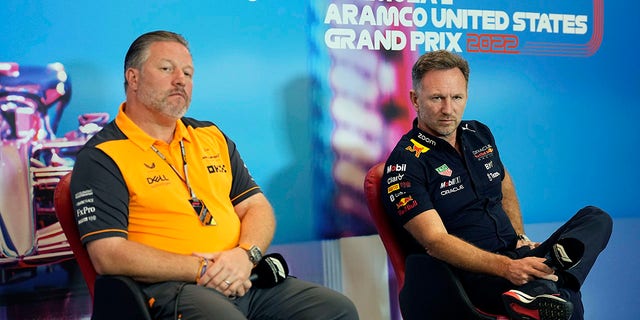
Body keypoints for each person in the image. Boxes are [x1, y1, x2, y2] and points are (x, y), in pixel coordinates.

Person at [70, 30, 359, 320]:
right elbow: (108, 254)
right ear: (133, 78)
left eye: (187, 72)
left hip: (244, 278)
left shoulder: (210, 136)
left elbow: (256, 207)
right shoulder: (103, 155)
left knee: (337, 310)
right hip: (173, 288)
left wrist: (246, 256)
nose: (180, 80)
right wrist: (204, 270)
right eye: (166, 68)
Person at [380, 50, 612, 320]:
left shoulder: (478, 133)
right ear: (415, 99)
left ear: (466, 95)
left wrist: (519, 238)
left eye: (456, 97)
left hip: (515, 256)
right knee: (563, 303)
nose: (448, 109)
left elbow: (503, 182)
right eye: (436, 98)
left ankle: (546, 284)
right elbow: (435, 242)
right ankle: (548, 288)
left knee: (596, 218)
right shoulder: (405, 163)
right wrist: (506, 268)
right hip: (471, 278)